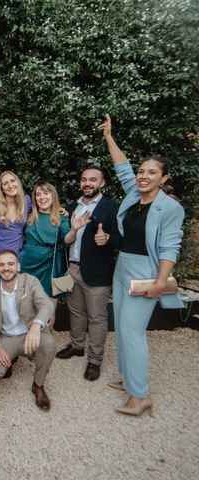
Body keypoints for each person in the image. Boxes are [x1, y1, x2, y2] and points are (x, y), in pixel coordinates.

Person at [99, 114, 184, 416]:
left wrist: (161, 281)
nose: (143, 176)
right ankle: (129, 378)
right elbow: (122, 168)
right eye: (141, 171)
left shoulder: (170, 208)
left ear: (163, 178)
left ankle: (140, 395)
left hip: (147, 272)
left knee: (131, 330)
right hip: (123, 266)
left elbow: (169, 246)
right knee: (121, 328)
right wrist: (109, 136)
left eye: (151, 173)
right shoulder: (135, 195)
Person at [56, 165, 121, 382]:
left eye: (93, 180)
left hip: (97, 272)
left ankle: (95, 359)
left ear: (102, 183)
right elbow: (65, 236)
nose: (87, 183)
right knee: (76, 312)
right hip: (73, 268)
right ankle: (76, 346)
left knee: (97, 317)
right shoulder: (72, 207)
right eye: (84, 179)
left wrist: (108, 240)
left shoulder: (111, 207)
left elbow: (122, 238)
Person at [0, 250, 56, 410]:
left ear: (18, 266)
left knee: (49, 343)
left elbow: (47, 304)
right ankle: (12, 358)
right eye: (1, 265)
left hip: (30, 333)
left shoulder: (30, 281)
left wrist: (36, 326)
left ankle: (38, 385)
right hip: (7, 337)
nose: (6, 268)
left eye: (10, 264)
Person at [20, 181, 73, 323]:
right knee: (27, 309)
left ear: (53, 195)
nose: (42, 197)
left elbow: (67, 240)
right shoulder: (28, 216)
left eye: (46, 193)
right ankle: (28, 343)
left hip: (50, 265)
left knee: (48, 311)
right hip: (28, 266)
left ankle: (46, 343)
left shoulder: (62, 217)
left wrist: (74, 230)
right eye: (38, 194)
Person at [0, 171, 32, 257]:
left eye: (12, 181)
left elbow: (42, 207)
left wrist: (58, 209)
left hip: (17, 256)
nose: (10, 185)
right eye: (5, 183)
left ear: (17, 182)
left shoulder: (26, 201)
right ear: (2, 188)